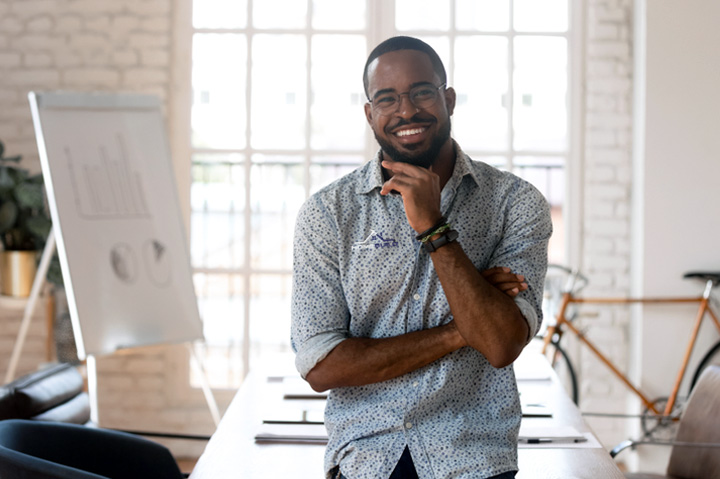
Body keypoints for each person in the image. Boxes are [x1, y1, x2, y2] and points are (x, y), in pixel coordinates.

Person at [291, 36, 552, 479]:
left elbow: (502, 344)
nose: (407, 111)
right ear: (370, 113)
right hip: (365, 459)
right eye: (387, 98)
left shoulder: (516, 203)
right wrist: (462, 327)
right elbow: (322, 366)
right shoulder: (329, 213)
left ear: (448, 98)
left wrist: (434, 229)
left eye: (422, 92)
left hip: (475, 460)